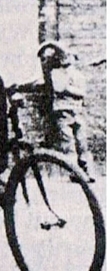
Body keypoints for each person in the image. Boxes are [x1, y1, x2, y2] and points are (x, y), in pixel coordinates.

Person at [37, 41, 95, 179]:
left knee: (80, 143)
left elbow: (78, 92)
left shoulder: (74, 75)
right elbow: (59, 88)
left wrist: (68, 89)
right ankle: (77, 172)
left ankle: (86, 171)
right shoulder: (56, 74)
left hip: (74, 112)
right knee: (69, 144)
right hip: (64, 112)